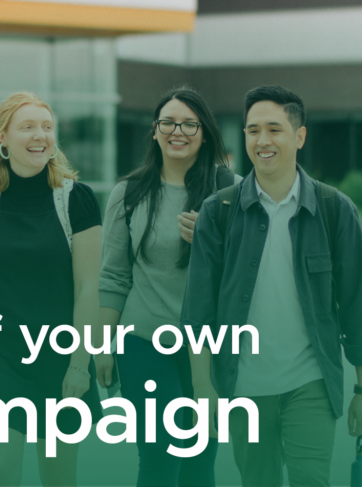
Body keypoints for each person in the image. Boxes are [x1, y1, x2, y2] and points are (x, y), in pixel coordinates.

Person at [181, 85, 362, 487]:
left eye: (274, 129)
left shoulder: (334, 210)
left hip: (311, 383)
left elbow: (357, 307)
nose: (262, 141)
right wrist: (203, 388)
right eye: (253, 131)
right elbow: (197, 313)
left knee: (311, 481)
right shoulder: (218, 213)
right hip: (243, 389)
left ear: (299, 136)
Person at [0, 92, 102, 487]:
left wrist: (80, 363)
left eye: (47, 127)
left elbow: (88, 289)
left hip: (61, 359)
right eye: (27, 127)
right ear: (3, 139)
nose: (39, 135)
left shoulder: (76, 200)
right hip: (0, 356)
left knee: (58, 478)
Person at [98, 86, 234, 486]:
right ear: (154, 131)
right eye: (168, 122)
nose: (179, 131)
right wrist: (101, 347)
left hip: (208, 345)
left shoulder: (231, 193)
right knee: (160, 451)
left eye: (190, 123)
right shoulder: (130, 192)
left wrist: (212, 242)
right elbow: (113, 275)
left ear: (204, 132)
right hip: (142, 339)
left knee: (199, 462)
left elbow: (247, 273)